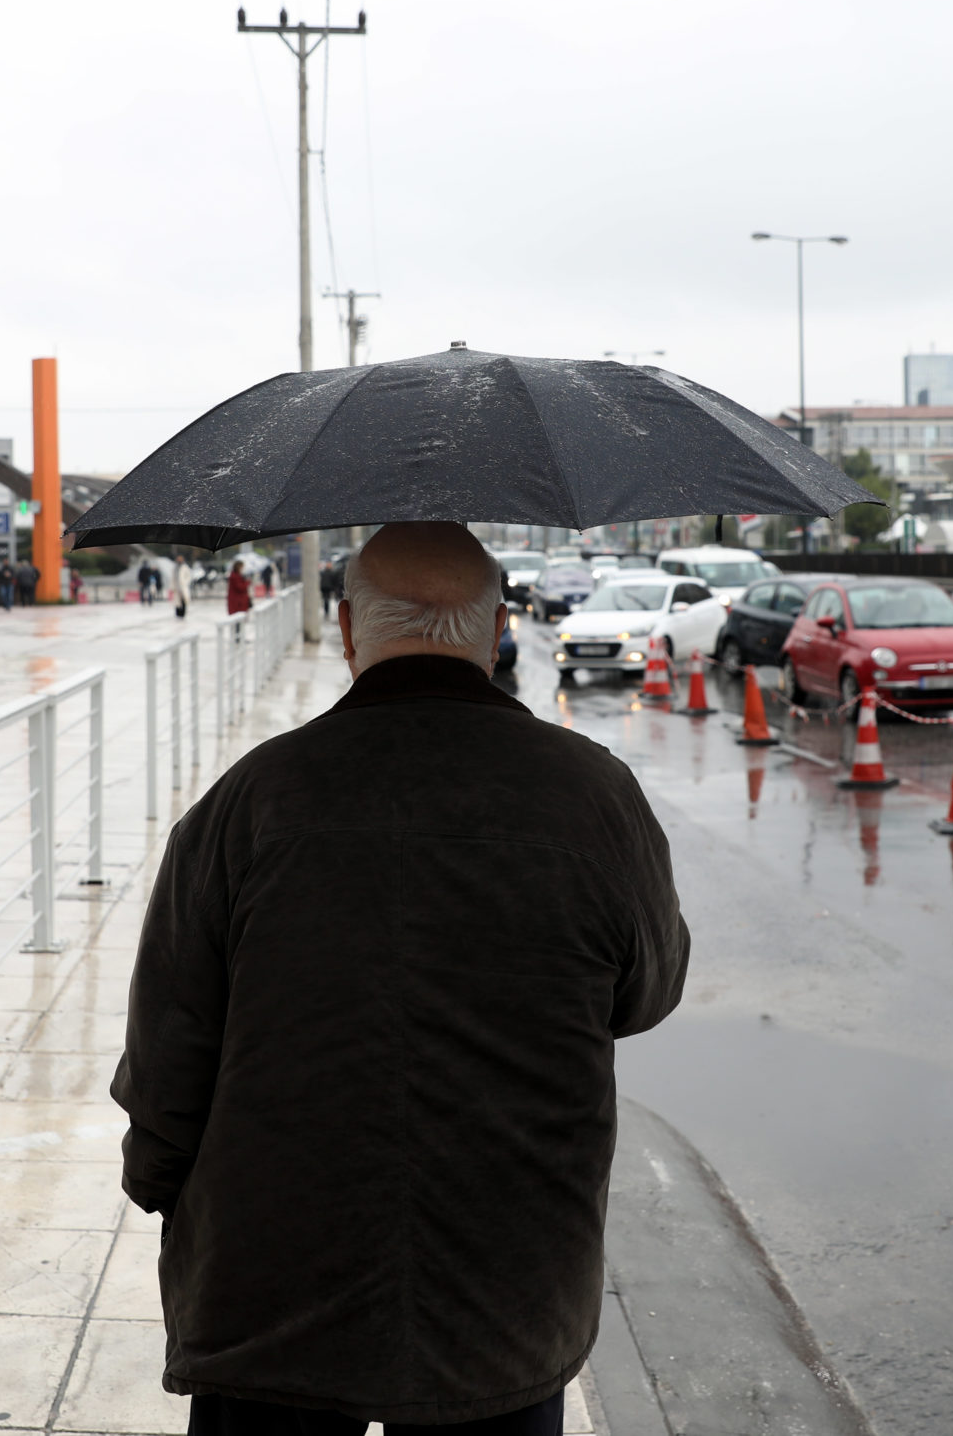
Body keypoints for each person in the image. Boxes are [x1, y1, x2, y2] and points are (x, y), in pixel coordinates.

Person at [113, 522, 688, 1433]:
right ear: (497, 627)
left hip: (274, 1291)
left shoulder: (248, 801)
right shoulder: (596, 797)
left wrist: (161, 1183)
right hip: (509, 1284)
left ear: (348, 631)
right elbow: (647, 992)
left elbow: (170, 1046)